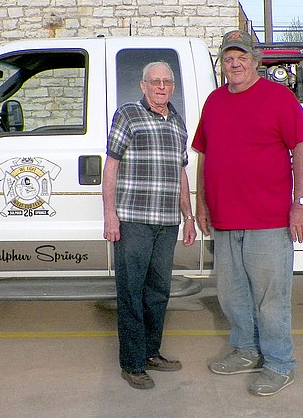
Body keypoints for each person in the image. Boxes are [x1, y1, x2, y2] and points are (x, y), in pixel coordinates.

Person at [192, 30, 303, 396]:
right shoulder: (214, 101)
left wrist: (301, 202)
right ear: (222, 63)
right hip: (226, 220)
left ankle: (278, 363)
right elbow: (204, 155)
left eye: (242, 56)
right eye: (229, 57)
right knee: (232, 295)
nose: (235, 63)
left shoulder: (279, 98)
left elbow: (302, 147)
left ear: (255, 61)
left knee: (270, 298)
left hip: (269, 220)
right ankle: (245, 350)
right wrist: (202, 202)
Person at [102, 61, 196, 390]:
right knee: (131, 292)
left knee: (158, 292)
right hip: (134, 221)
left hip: (167, 223)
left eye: (167, 82)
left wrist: (188, 216)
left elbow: (180, 172)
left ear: (173, 86)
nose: (161, 87)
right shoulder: (128, 115)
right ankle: (132, 363)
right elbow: (111, 166)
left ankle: (152, 352)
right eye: (154, 81)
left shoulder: (177, 122)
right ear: (143, 86)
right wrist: (110, 215)